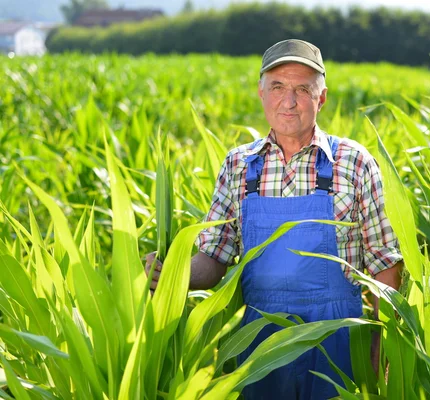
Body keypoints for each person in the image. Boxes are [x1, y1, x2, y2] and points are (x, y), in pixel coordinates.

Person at [145, 39, 402, 399]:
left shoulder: (354, 162)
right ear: (261, 93)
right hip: (259, 343)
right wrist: (173, 272)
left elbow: (384, 264)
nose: (289, 101)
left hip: (339, 340)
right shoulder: (239, 165)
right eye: (278, 87)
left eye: (302, 89)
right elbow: (215, 257)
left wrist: (380, 350)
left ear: (321, 98)